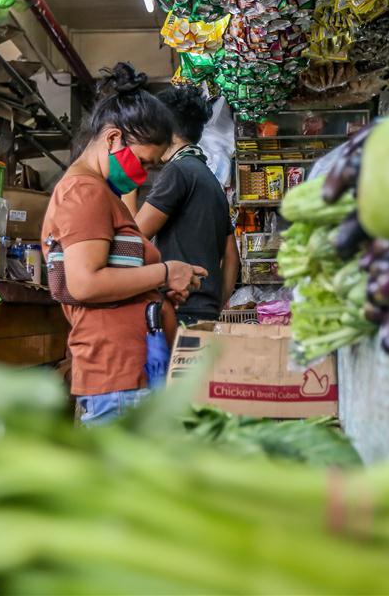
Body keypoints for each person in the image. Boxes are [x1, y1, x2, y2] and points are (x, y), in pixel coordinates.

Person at [41, 63, 207, 425]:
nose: (144, 175)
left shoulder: (101, 192)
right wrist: (164, 271)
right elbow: (85, 283)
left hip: (131, 375)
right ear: (114, 138)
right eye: (145, 162)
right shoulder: (85, 192)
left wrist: (158, 286)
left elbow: (112, 277)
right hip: (118, 379)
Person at [135, 86, 240, 325]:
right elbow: (232, 256)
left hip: (180, 310)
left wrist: (129, 185)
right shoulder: (209, 178)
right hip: (205, 312)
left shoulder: (178, 171)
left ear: (166, 129)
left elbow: (134, 237)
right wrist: (213, 303)